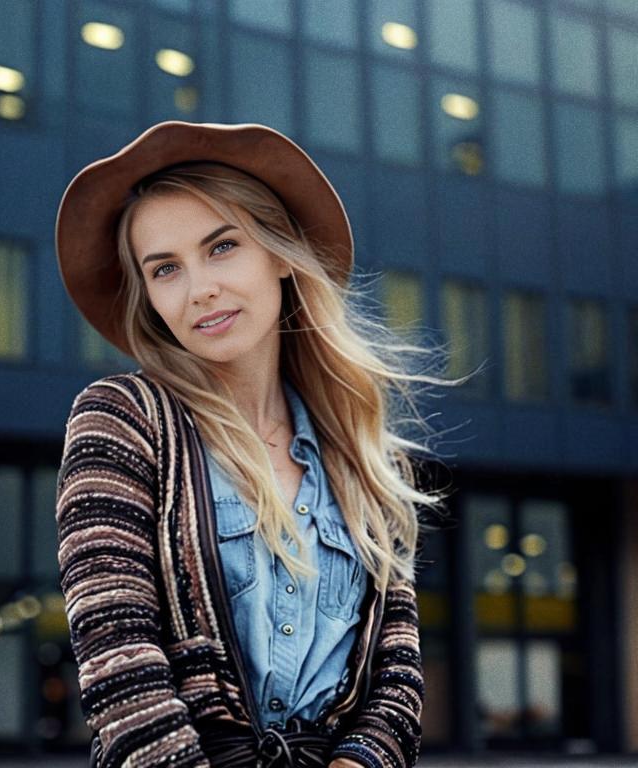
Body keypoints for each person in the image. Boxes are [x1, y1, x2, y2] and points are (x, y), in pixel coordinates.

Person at [53, 121, 461, 768]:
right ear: (151, 298)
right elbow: (116, 654)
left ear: (279, 254)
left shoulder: (364, 453)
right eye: (166, 269)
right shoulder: (124, 419)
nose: (200, 289)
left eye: (221, 248)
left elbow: (397, 680)